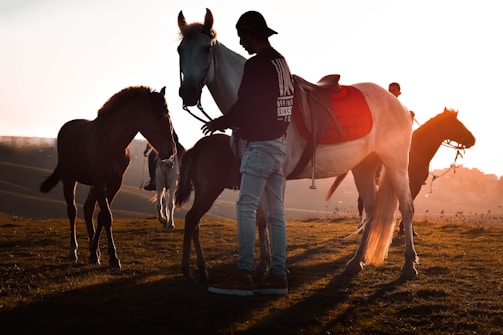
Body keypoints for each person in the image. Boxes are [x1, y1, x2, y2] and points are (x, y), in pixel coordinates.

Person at [201, 10, 294, 296]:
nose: (241, 42)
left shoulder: (256, 66)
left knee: (245, 208)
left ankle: (243, 274)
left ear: (252, 34)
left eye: (243, 36)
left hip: (259, 146)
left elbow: (244, 105)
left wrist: (219, 123)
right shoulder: (282, 62)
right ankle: (278, 275)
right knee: (277, 213)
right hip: (280, 145)